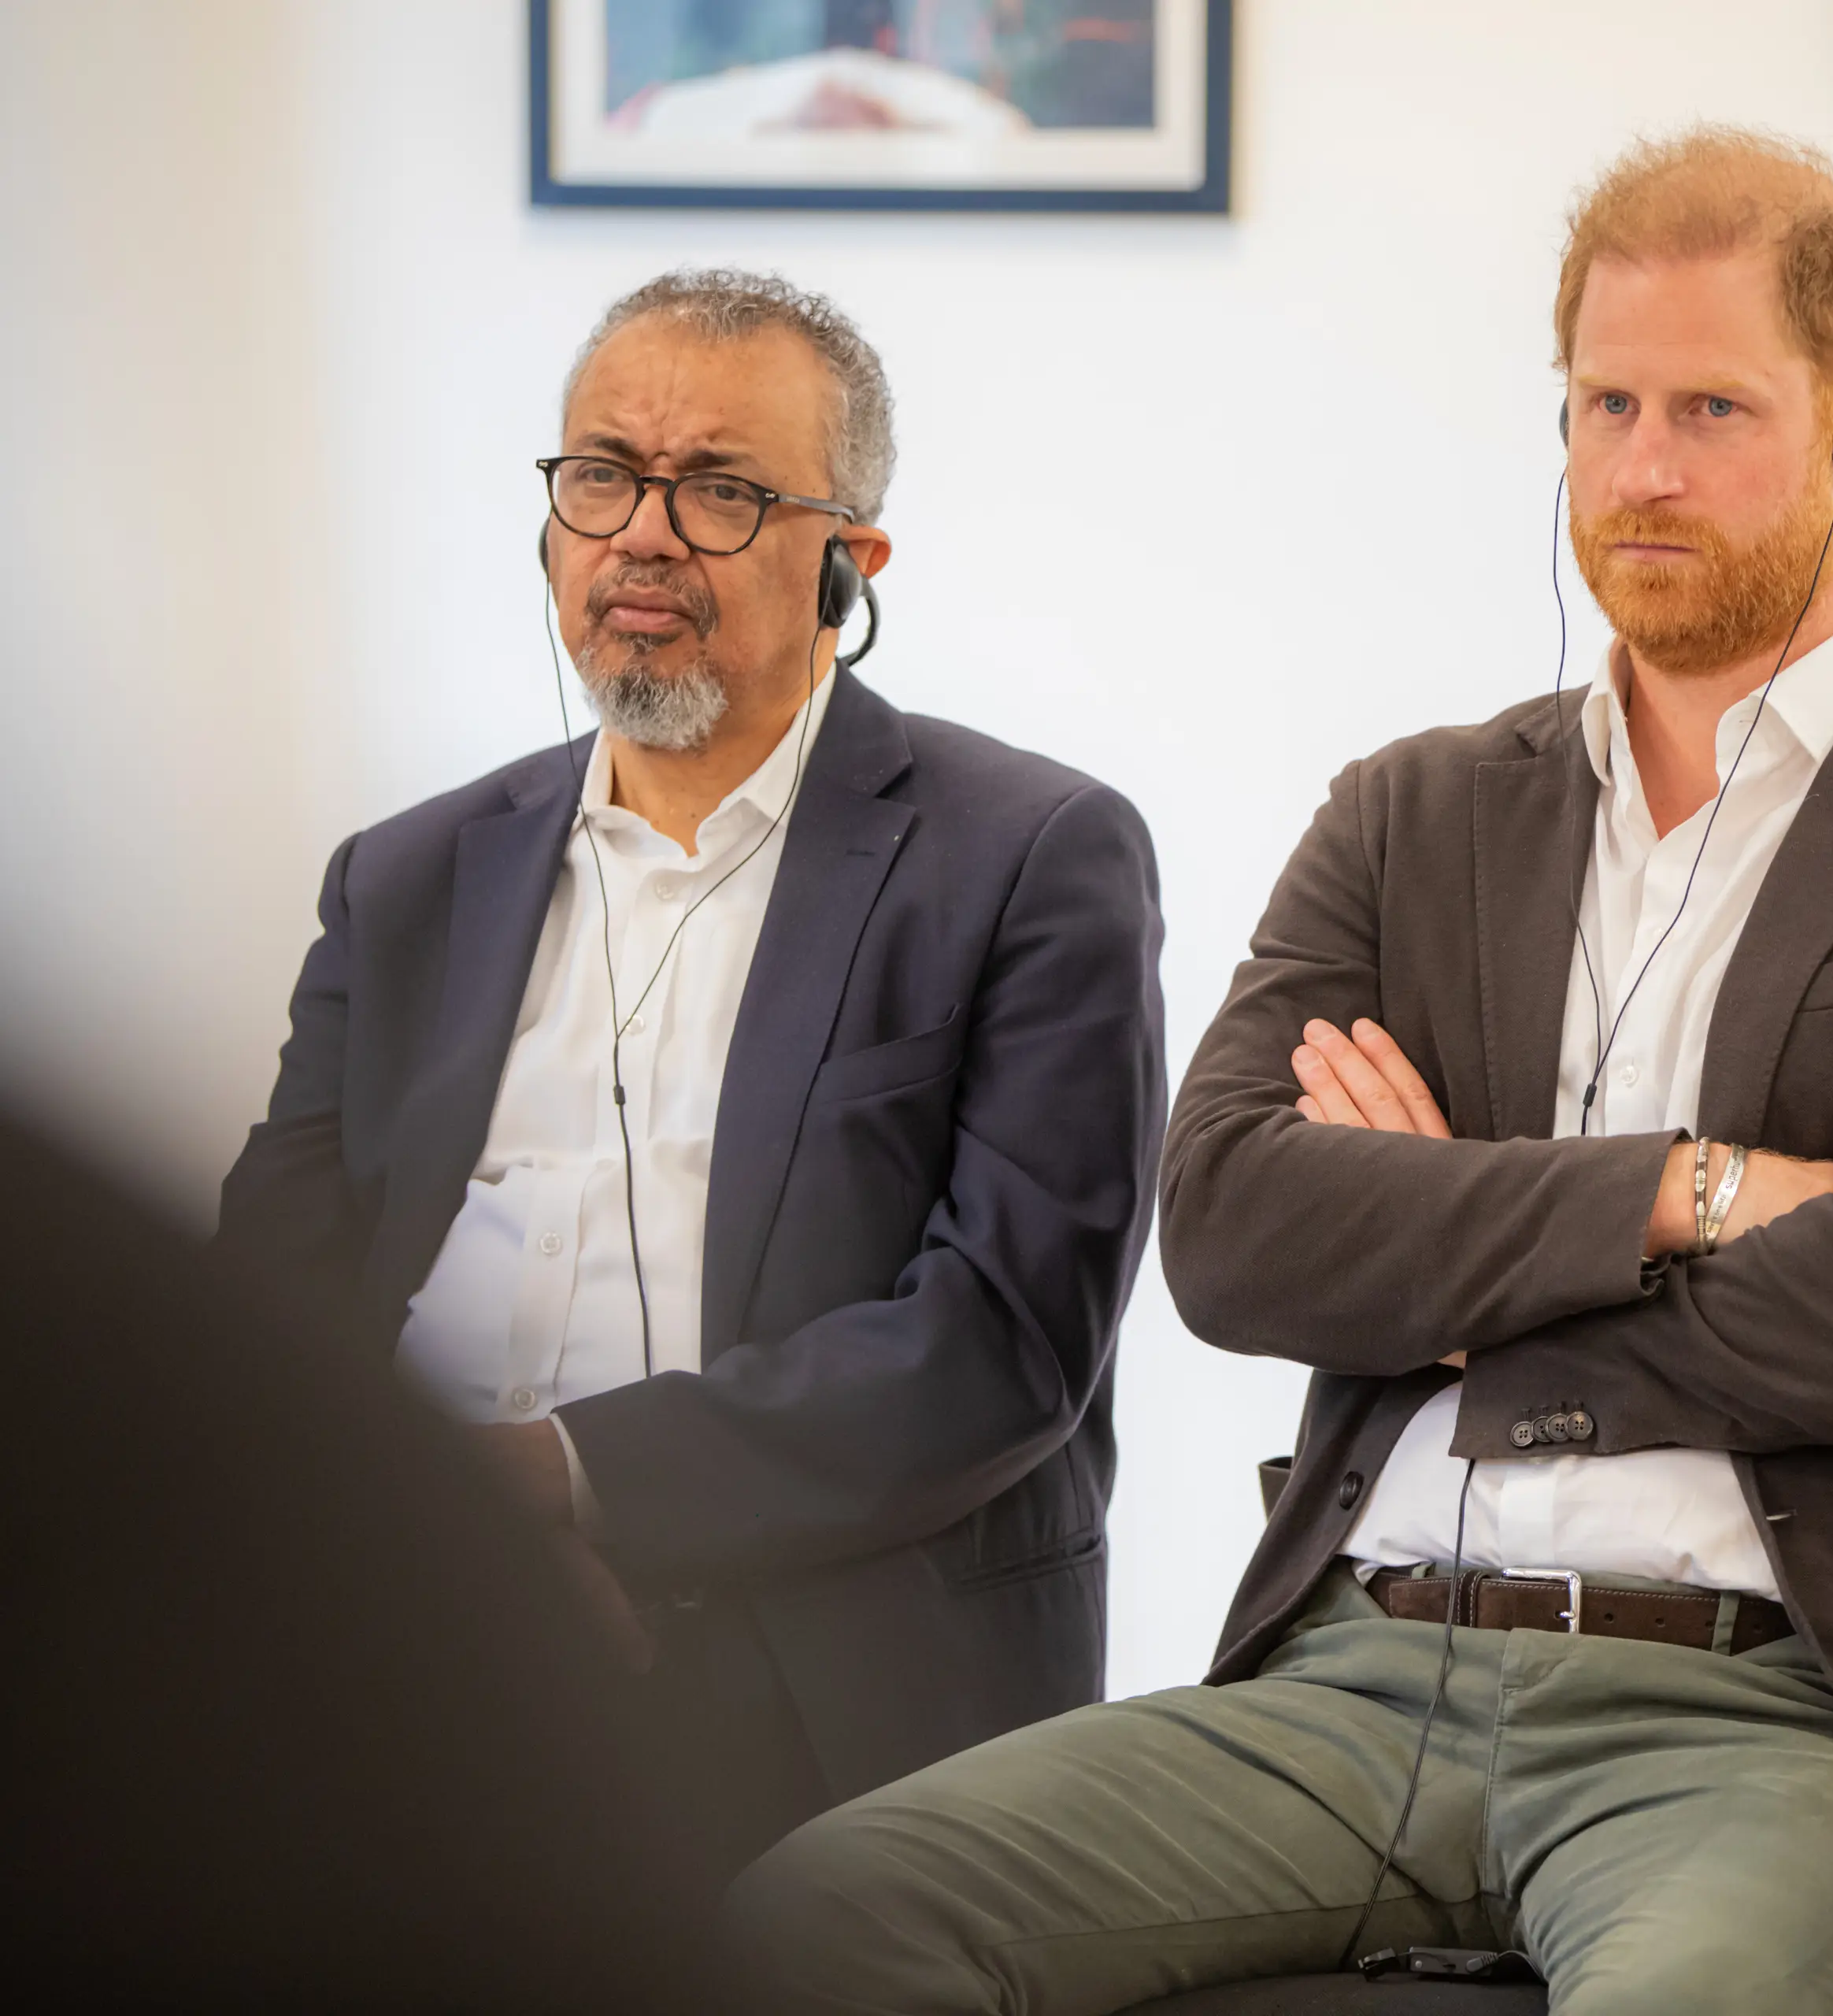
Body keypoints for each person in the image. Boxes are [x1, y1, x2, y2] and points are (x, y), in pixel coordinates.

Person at [730, 128, 1833, 2015]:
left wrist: (1446, 1280)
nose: (1641, 468)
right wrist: (1687, 1190)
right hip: (1355, 1669)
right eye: (1604, 402)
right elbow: (1238, 1238)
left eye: (1714, 406)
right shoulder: (1410, 813)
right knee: (805, 1916)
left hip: (1769, 1716)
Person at [218, 269, 1167, 1882]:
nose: (644, 533)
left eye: (723, 489)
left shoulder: (1027, 855)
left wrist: (567, 1488)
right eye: (603, 473)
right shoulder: (411, 874)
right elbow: (271, 1295)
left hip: (818, 1662)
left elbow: (1003, 1341)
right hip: (412, 1623)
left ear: (848, 565)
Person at [7, 1106, 718, 2012]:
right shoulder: (383, 958)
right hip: (373, 1559)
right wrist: (451, 1537)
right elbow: (272, 1251)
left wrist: (570, 1477)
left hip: (739, 1580)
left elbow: (947, 1331)